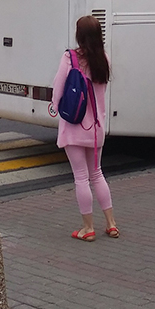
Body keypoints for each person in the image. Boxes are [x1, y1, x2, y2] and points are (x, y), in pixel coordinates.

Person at [50, 15, 118, 242]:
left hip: (74, 125)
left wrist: (54, 106)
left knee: (81, 177)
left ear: (79, 35)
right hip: (96, 127)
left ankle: (87, 228)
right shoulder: (104, 59)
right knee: (97, 174)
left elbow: (58, 89)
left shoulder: (70, 58)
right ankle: (111, 223)